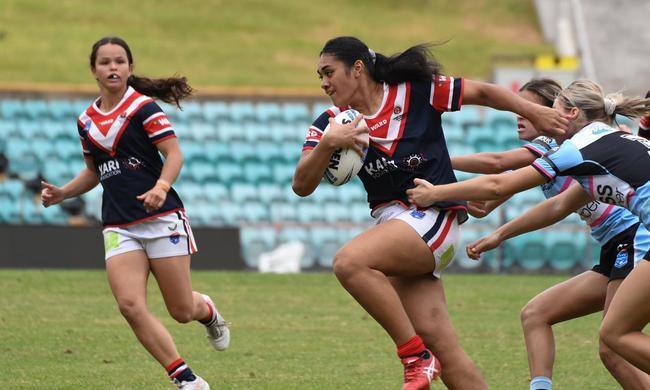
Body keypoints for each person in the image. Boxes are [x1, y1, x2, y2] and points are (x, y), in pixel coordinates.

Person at [292, 36, 568, 390]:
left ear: (357, 68)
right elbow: (301, 184)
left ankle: (414, 358)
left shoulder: (417, 91)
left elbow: (483, 93)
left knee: (350, 262)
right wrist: (330, 142)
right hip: (398, 228)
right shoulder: (331, 122)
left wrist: (535, 111)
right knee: (446, 351)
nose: (324, 83)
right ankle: (426, 355)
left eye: (329, 72)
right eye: (319, 76)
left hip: (433, 217)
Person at [406, 79, 650, 376]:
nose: (523, 114)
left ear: (570, 114)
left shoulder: (573, 148)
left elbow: (498, 178)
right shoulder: (609, 142)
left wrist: (435, 191)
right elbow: (559, 205)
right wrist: (498, 234)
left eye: (536, 109)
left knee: (615, 338)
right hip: (622, 243)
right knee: (557, 321)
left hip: (633, 238)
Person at [41, 36, 229, 390]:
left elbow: (174, 155)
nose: (113, 67)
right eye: (105, 62)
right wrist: (64, 192)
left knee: (181, 311)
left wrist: (160, 188)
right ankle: (185, 378)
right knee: (129, 304)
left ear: (129, 67)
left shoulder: (144, 108)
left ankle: (208, 310)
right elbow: (95, 170)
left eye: (119, 61)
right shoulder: (86, 121)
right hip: (118, 224)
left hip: (161, 220)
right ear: (94, 71)